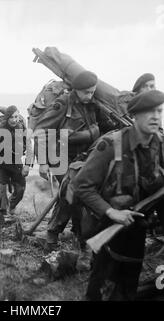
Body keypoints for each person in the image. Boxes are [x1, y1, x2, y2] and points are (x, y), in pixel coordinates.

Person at [72, 90, 164, 300]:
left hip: (137, 227)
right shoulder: (111, 145)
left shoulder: (159, 145)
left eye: (159, 111)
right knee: (103, 286)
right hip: (107, 227)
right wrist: (111, 212)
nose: (156, 117)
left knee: (128, 284)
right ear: (134, 116)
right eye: (149, 112)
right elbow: (82, 186)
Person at [34, 70, 114, 270]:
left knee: (79, 195)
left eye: (92, 92)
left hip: (84, 157)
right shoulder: (63, 104)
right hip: (60, 156)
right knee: (73, 191)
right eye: (86, 92)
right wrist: (42, 162)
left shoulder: (93, 105)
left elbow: (107, 128)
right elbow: (41, 131)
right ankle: (55, 236)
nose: (89, 95)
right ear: (76, 90)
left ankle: (79, 237)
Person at [0, 105, 30, 218]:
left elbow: (29, 146)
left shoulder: (21, 127)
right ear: (7, 118)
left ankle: (11, 206)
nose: (14, 120)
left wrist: (27, 165)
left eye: (16, 117)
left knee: (20, 190)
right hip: (2, 162)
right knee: (1, 190)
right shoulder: (0, 126)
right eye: (11, 117)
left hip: (16, 162)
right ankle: (3, 215)